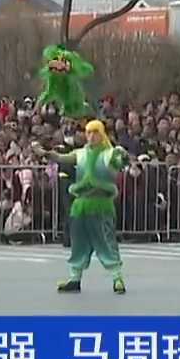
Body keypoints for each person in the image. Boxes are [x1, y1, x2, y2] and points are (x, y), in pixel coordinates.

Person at [45, 120, 131, 294]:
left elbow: (120, 162)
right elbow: (62, 158)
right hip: (81, 204)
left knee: (107, 242)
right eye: (89, 132)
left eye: (95, 132)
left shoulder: (109, 153)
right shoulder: (81, 153)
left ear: (102, 134)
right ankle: (75, 278)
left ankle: (117, 277)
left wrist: (122, 156)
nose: (91, 136)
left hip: (101, 204)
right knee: (78, 243)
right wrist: (47, 153)